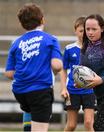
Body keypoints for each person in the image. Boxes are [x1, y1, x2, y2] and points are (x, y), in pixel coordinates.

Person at [4, 3, 63, 131]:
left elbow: (8, 73)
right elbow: (57, 65)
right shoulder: (50, 39)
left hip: (20, 92)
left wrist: (26, 71)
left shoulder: (16, 43)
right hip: (40, 90)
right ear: (42, 19)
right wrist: (55, 69)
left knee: (30, 110)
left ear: (21, 24)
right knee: (39, 128)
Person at [60, 16, 95, 131]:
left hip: (89, 90)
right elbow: (63, 69)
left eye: (85, 30)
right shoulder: (69, 49)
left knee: (89, 123)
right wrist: (64, 88)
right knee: (71, 125)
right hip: (72, 91)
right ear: (75, 31)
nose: (83, 33)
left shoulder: (94, 48)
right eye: (81, 31)